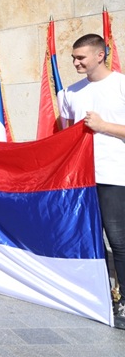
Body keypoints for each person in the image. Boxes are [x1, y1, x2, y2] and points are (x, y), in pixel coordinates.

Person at [58, 33, 125, 328]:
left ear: (100, 55)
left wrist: (102, 126)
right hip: (80, 180)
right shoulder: (70, 93)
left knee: (119, 241)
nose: (75, 62)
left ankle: (123, 301)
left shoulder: (121, 85)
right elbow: (65, 137)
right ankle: (93, 296)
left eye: (81, 57)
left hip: (115, 175)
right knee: (85, 238)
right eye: (73, 57)